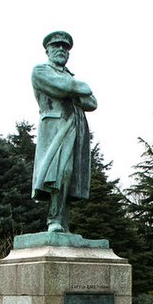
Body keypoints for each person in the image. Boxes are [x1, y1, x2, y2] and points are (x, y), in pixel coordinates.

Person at [32, 31, 97, 233]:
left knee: (71, 177)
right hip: (56, 127)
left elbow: (92, 102)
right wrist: (77, 88)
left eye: (65, 47)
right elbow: (60, 88)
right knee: (60, 172)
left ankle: (63, 222)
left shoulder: (70, 77)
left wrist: (73, 90)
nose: (61, 50)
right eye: (56, 46)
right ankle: (54, 220)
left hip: (76, 127)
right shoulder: (41, 70)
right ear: (48, 50)